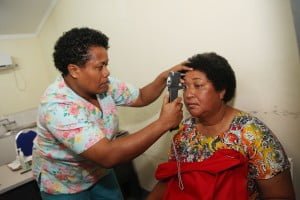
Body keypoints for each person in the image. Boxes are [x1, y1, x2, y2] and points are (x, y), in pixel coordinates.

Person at [32, 27, 191, 200]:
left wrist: (162, 78)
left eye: (106, 65)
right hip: (64, 184)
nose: (107, 72)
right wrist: (163, 123)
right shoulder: (56, 106)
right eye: (100, 67)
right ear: (74, 70)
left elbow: (142, 97)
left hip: (99, 172)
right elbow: (108, 155)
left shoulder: (103, 85)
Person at [147, 52, 295, 200]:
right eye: (185, 87)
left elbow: (281, 196)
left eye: (198, 85)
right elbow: (172, 178)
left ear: (221, 91)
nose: (188, 94)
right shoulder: (184, 132)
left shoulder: (253, 134)